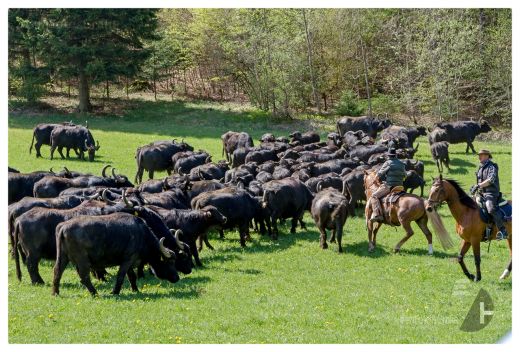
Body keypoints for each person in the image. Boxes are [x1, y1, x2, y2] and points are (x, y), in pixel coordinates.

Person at [470, 149, 508, 240]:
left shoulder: (492, 167)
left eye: (481, 155)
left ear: (487, 156)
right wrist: (475, 187)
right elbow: (480, 182)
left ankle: (503, 231)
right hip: (481, 194)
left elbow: (491, 180)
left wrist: (479, 185)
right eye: (479, 155)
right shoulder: (480, 167)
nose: (479, 157)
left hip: (491, 193)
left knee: (490, 208)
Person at [369, 148, 406, 223]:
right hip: (400, 186)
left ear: (389, 156)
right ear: (395, 155)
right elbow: (405, 175)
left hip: (390, 186)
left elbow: (379, 173)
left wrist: (374, 179)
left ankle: (377, 214)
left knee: (374, 196)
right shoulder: (402, 164)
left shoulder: (388, 163)